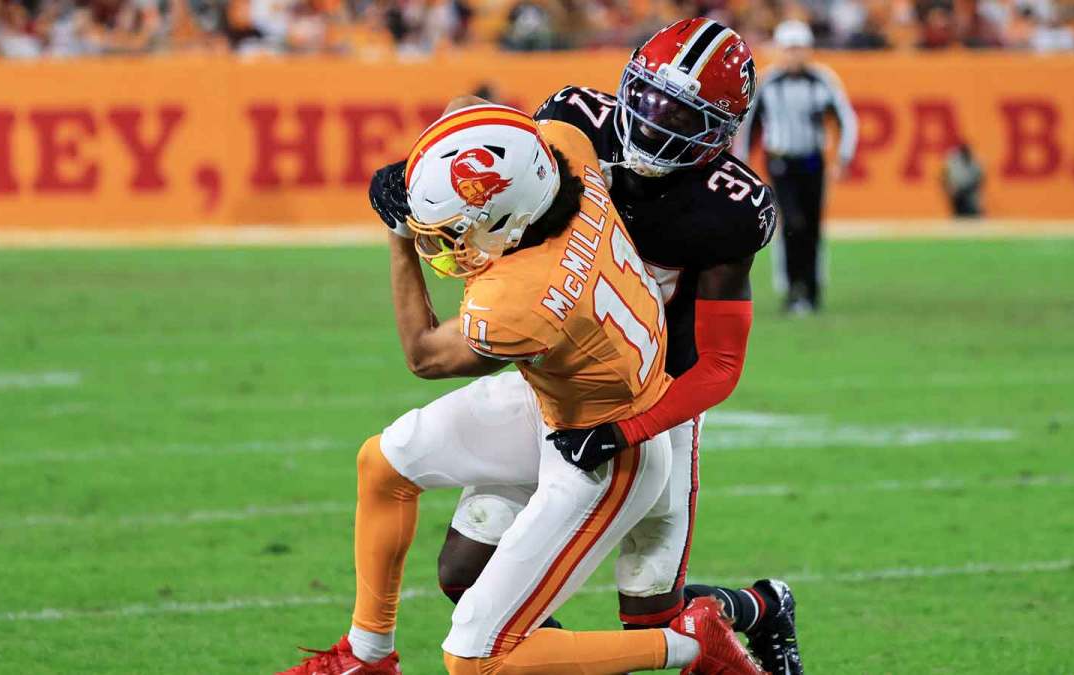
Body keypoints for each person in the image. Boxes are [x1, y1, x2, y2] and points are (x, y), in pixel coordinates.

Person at [373, 18, 803, 675]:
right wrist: (420, 189)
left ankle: (758, 607)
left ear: (718, 136)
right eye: (648, 101)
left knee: (649, 614)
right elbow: (475, 136)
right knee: (465, 571)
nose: (655, 126)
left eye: (680, 119)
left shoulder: (728, 209)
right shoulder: (574, 121)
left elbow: (718, 364)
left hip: (655, 391)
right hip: (556, 371)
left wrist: (625, 430)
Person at [276, 102, 764, 675]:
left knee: (475, 659)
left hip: (603, 448)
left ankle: (694, 644)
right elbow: (503, 146)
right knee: (384, 462)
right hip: (565, 391)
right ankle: (366, 657)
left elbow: (424, 355)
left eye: (457, 230)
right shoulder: (569, 154)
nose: (449, 242)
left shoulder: (520, 296)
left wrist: (399, 237)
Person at [734, 19, 857, 315]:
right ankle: (793, 289)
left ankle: (812, 291)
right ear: (779, 51)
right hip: (781, 162)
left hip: (813, 160)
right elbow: (748, 128)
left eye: (799, 49)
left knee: (812, 226)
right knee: (793, 223)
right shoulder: (767, 83)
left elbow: (846, 119)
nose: (794, 55)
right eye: (789, 49)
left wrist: (842, 157)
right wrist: (744, 167)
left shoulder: (823, 80)